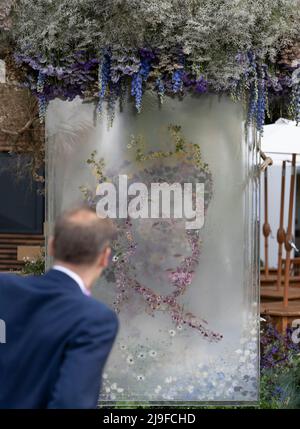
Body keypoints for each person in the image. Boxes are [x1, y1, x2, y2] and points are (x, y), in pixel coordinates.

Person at [0, 206, 118, 409]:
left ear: (52, 245)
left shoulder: (5, 288)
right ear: (104, 257)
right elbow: (72, 402)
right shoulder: (95, 319)